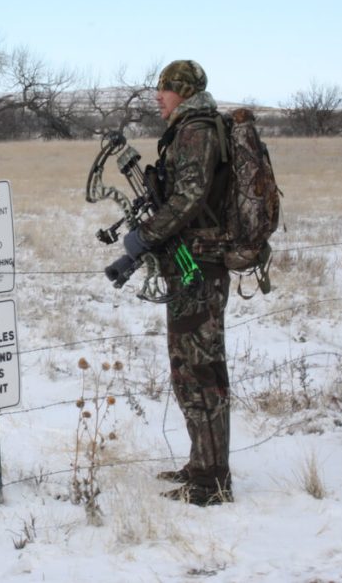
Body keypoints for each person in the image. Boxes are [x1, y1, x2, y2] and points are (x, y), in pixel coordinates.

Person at [120, 60, 233, 506]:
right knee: (194, 368)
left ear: (182, 91)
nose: (157, 97)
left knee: (199, 371)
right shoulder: (194, 127)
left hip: (198, 265)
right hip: (194, 260)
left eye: (164, 90)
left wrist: (143, 238)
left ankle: (211, 483)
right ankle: (203, 465)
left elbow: (188, 197)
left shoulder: (195, 131)